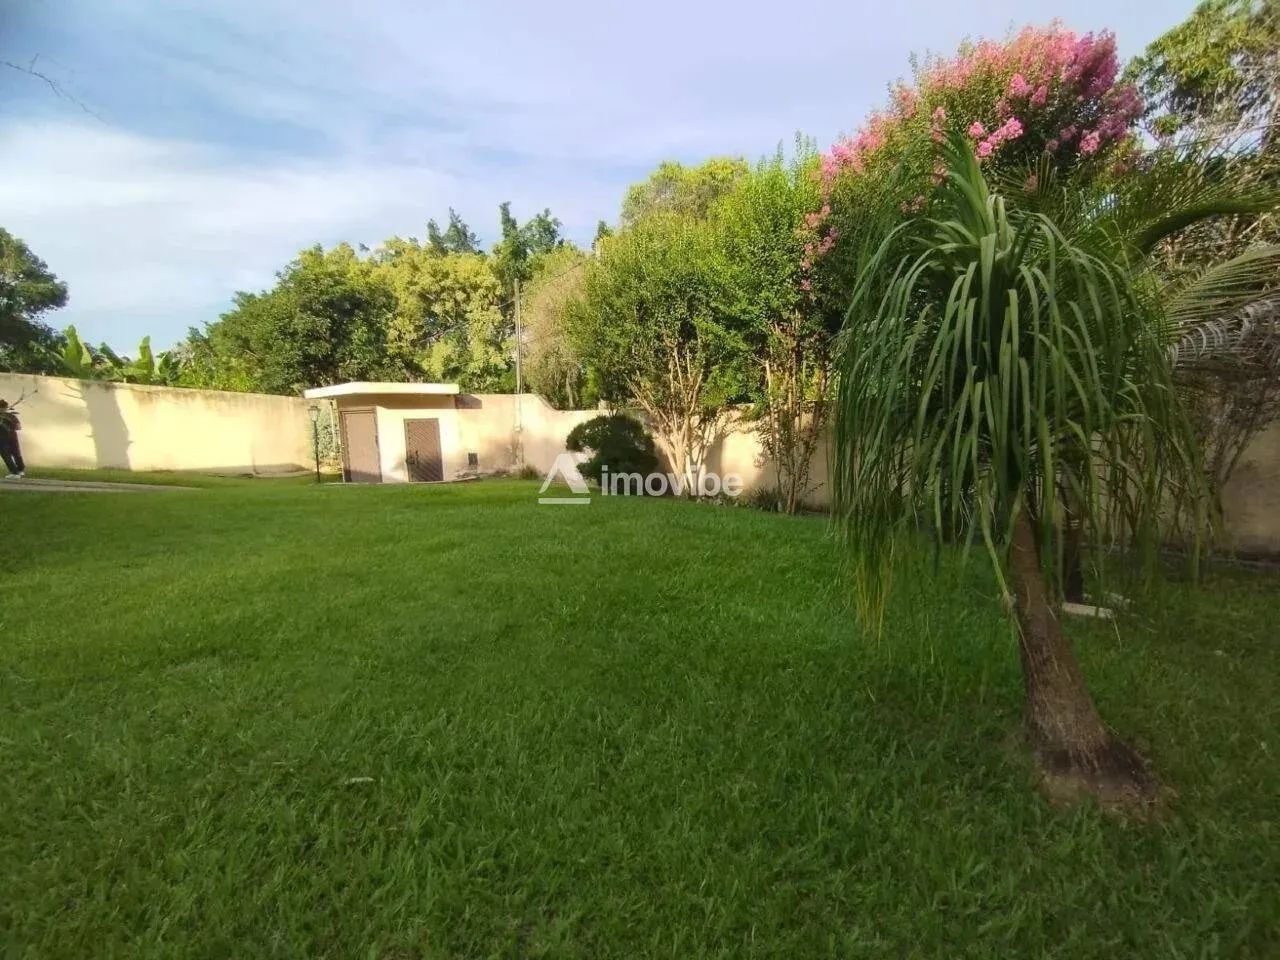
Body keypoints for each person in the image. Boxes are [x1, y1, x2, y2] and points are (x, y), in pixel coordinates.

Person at [0, 399, 25, 479]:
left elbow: (18, 427)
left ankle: (14, 472)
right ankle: (21, 470)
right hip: (13, 437)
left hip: (2, 438)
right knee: (16, 453)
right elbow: (18, 427)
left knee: (6, 455)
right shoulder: (12, 416)